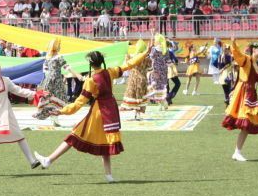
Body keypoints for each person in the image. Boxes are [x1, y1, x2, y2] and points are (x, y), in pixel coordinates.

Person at [34, 45, 152, 183]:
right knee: (106, 141)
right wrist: (145, 53)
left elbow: (78, 104)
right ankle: (109, 176)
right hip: (111, 110)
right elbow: (129, 64)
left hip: (98, 112)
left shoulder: (91, 81)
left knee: (73, 136)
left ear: (90, 64)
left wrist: (61, 111)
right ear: (101, 61)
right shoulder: (110, 72)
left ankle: (49, 160)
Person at [121, 40, 151, 119]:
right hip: (143, 78)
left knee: (133, 95)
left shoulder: (133, 57)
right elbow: (150, 68)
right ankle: (138, 113)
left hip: (133, 78)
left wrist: (126, 53)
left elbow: (127, 64)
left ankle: (135, 111)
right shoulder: (146, 58)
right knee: (140, 96)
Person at [165, 41, 180, 105]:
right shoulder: (170, 52)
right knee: (177, 83)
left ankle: (167, 98)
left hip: (162, 70)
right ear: (168, 46)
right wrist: (176, 63)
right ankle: (169, 97)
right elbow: (175, 60)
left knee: (166, 85)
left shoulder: (160, 52)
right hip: (170, 69)